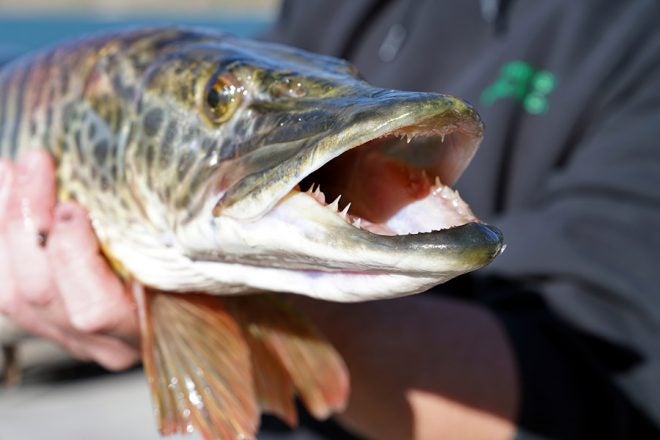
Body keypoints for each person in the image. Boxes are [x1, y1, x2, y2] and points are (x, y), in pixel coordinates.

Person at [2, 1, 660, 438]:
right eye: (216, 102)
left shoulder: (633, 33)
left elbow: (604, 381)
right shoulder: (337, 7)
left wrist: (260, 303)